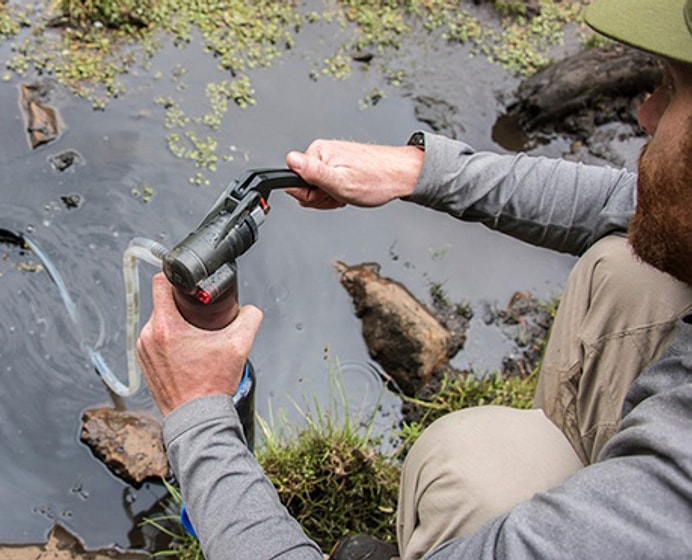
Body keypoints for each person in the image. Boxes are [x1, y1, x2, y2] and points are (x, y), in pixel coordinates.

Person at [136, 0, 692, 558]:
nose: (646, 115)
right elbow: (633, 202)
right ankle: (577, 459)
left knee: (462, 466)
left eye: (672, 88)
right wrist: (416, 171)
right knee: (627, 269)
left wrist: (199, 414)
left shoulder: (660, 509)